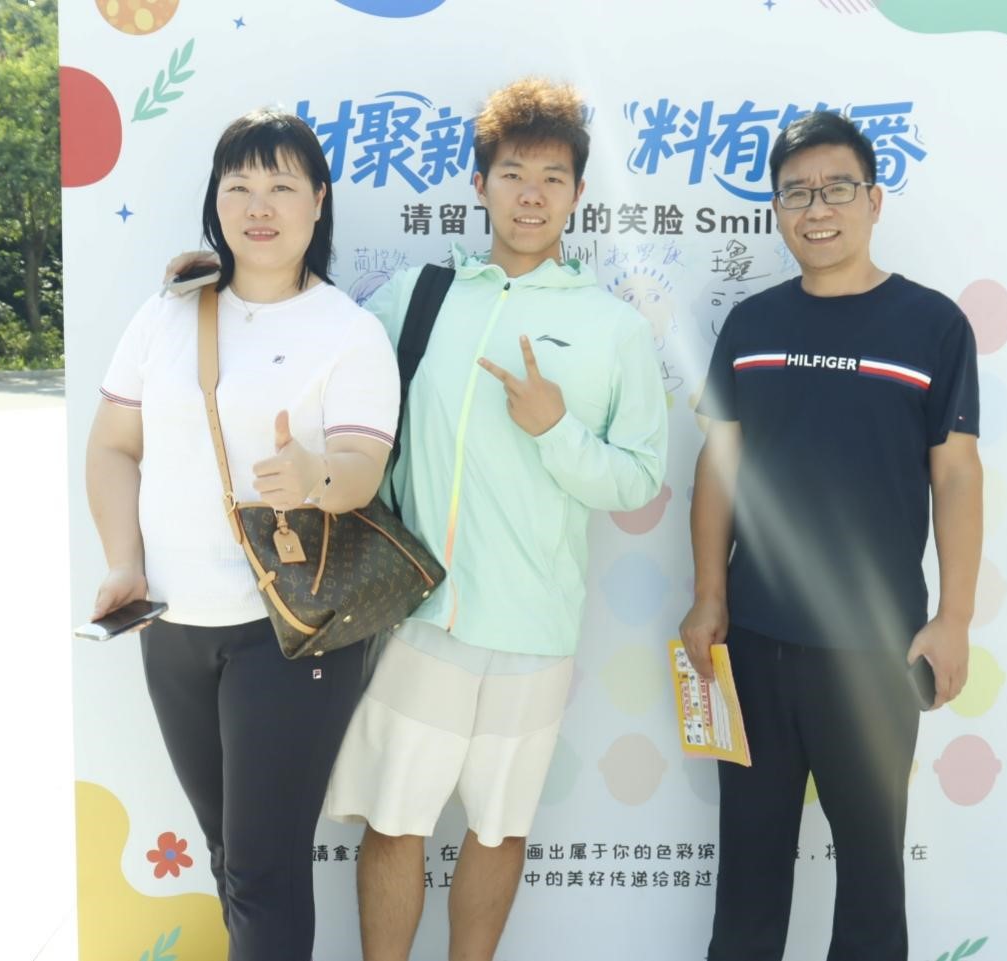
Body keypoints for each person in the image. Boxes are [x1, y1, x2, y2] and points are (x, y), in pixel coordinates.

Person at [324, 78, 668, 961]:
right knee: (395, 820)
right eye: (512, 173)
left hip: (536, 628)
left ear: (578, 194)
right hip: (421, 614)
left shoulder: (613, 329)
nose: (531, 195)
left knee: (498, 826)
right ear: (479, 185)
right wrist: (221, 282)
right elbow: (323, 356)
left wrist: (555, 429)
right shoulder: (419, 295)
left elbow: (638, 479)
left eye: (552, 178)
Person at [86, 108, 400, 961]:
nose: (259, 206)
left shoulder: (348, 330)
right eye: (239, 186)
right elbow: (113, 447)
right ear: (215, 199)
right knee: (230, 855)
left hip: (287, 631)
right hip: (170, 623)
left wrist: (314, 476)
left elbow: (361, 469)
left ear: (318, 200)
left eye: (281, 186)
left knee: (263, 867)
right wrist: (123, 562)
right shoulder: (167, 314)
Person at [680, 110, 983, 961]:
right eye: (795, 193)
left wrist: (954, 617)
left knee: (872, 883)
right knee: (747, 878)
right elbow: (718, 467)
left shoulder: (931, 325)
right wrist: (707, 594)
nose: (816, 208)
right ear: (776, 209)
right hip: (754, 642)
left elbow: (956, 475)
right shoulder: (751, 324)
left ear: (873, 200)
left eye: (836, 188)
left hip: (877, 649)